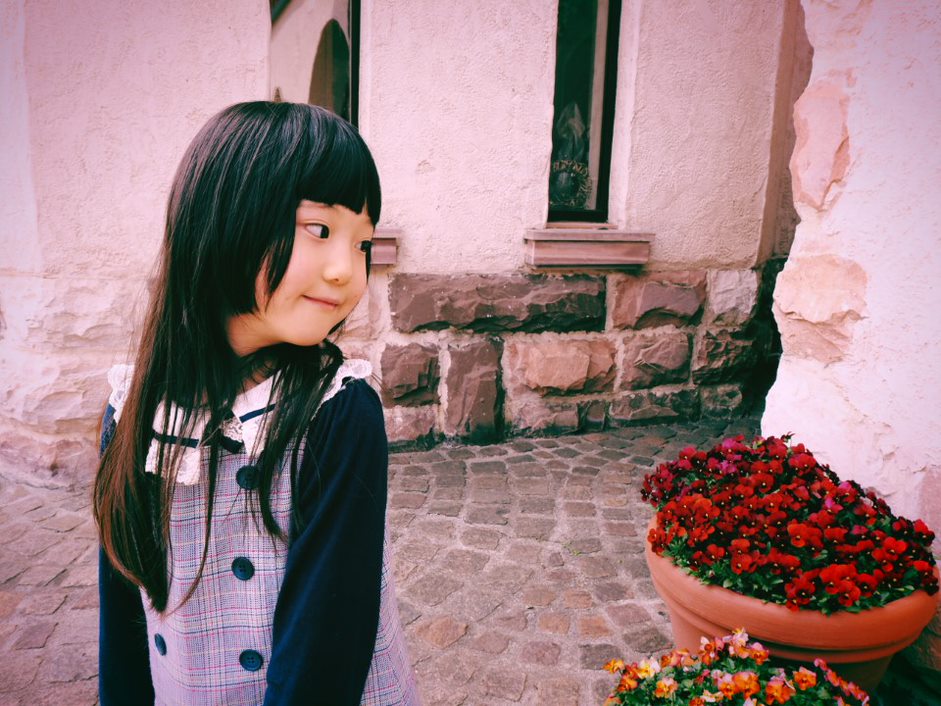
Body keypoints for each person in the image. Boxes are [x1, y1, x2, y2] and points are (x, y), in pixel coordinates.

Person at [93, 102, 420, 705]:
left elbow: (326, 646)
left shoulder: (338, 413)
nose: (348, 270)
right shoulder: (133, 405)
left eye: (363, 242)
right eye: (319, 230)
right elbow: (123, 613)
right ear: (221, 218)